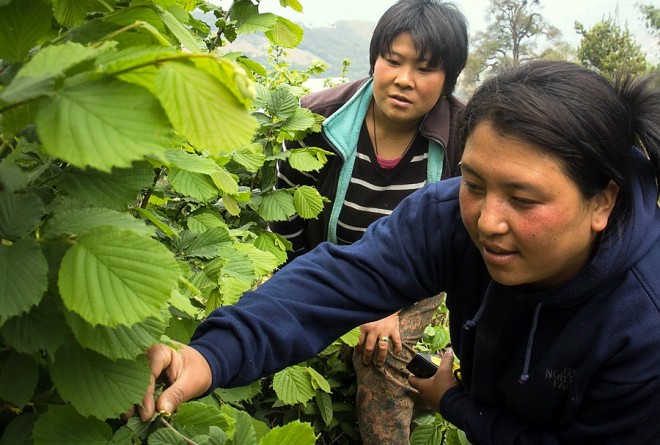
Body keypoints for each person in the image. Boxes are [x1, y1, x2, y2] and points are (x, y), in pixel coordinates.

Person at [137, 60, 660, 444]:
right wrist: (209, 354)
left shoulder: (644, 323)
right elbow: (340, 281)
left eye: (523, 199)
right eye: (473, 183)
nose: (487, 220)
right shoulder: (450, 217)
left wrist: (454, 403)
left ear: (602, 202)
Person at [268, 0, 468, 442]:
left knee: (382, 354)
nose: (403, 79)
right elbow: (286, 224)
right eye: (392, 61)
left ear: (447, 79)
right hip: (335, 264)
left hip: (417, 277)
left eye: (425, 69)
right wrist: (293, 292)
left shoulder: (464, 136)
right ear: (375, 58)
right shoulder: (318, 119)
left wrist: (390, 308)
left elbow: (456, 237)